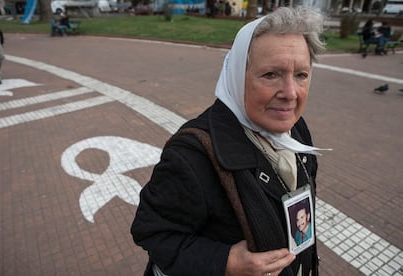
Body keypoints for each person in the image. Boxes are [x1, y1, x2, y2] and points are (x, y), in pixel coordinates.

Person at [131, 6, 330, 276]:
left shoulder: (297, 130)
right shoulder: (191, 157)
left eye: (301, 75)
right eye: (271, 74)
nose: (290, 93)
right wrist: (225, 262)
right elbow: (152, 232)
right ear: (238, 77)